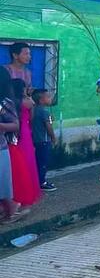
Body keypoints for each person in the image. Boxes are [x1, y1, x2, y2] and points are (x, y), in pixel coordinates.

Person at [8, 79, 41, 209]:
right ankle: (24, 193)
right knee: (26, 162)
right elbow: (32, 112)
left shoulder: (10, 101)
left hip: (17, 132)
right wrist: (28, 95)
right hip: (24, 131)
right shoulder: (25, 101)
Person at [0, 68, 21, 223]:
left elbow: (15, 125)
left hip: (0, 148)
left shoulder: (5, 103)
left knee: (3, 186)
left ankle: (11, 210)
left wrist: (1, 126)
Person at [31, 89, 57, 191]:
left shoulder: (34, 110)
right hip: (44, 140)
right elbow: (48, 127)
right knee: (43, 162)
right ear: (41, 100)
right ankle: (42, 182)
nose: (50, 99)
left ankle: (37, 181)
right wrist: (53, 137)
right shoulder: (44, 112)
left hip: (35, 140)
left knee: (38, 161)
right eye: (48, 97)